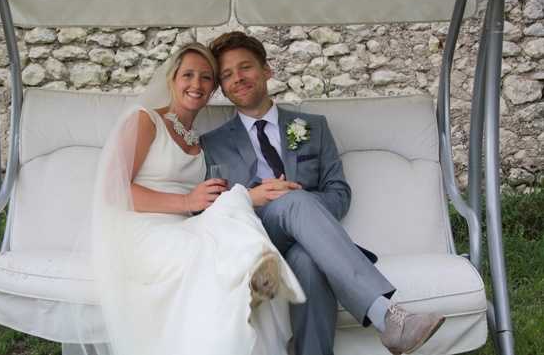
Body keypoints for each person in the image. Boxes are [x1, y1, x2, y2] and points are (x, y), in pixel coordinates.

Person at [201, 31, 445, 355]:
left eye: (245, 67)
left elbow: (339, 193)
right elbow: (211, 208)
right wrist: (258, 196)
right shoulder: (212, 143)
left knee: (307, 259)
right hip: (252, 237)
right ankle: (387, 315)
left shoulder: (313, 127)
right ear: (222, 86)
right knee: (293, 203)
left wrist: (297, 201)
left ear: (267, 70)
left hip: (303, 241)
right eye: (227, 75)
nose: (238, 78)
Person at [88, 42, 305, 355]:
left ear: (213, 89)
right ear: (172, 79)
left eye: (206, 78)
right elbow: (113, 192)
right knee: (215, 248)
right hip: (141, 231)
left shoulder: (200, 143)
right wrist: (187, 203)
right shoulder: (145, 120)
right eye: (188, 75)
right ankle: (250, 276)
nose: (196, 84)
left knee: (230, 204)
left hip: (184, 226)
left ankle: (257, 273)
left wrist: (213, 201)